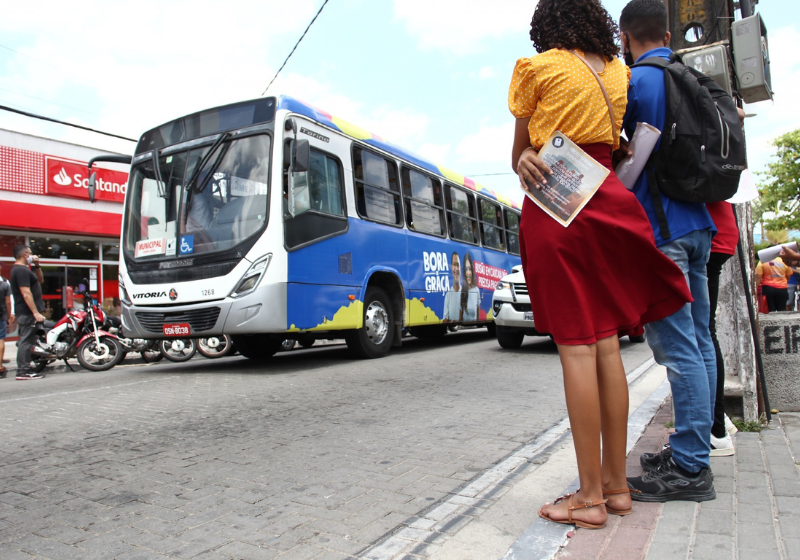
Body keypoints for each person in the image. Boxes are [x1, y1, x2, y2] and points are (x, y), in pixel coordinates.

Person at [510, 0, 692, 528]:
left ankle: (588, 499)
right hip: (609, 200)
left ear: (547, 24)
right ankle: (615, 487)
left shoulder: (537, 68)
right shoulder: (617, 71)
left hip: (557, 205)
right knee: (607, 345)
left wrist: (523, 157)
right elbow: (615, 145)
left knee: (576, 347)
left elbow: (520, 156)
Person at [620, 0, 719, 502]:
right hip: (699, 224)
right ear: (666, 33)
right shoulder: (691, 76)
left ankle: (690, 467)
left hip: (664, 234)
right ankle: (693, 449)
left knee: (679, 350)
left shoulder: (636, 82)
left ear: (625, 37)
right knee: (700, 343)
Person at [705, 202, 739, 457]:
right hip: (716, 231)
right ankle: (718, 420)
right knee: (704, 332)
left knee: (700, 334)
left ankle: (715, 431)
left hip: (705, 234)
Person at [10, 245, 46, 380]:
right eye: (30, 253)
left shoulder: (25, 270)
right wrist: (35, 312)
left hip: (27, 312)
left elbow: (40, 280)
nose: (32, 255)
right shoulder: (20, 271)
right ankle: (23, 371)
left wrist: (37, 265)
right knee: (25, 341)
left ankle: (26, 369)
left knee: (28, 340)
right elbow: (26, 293)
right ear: (24, 255)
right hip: (27, 312)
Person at [0, 274, 15, 378]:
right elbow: (8, 302)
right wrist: (9, 316)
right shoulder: (4, 284)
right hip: (1, 315)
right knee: (1, 339)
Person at [443, 252, 462, 322]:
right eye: (454, 264)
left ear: (460, 268)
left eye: (458, 265)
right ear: (451, 267)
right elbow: (445, 319)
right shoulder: (448, 295)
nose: (456, 268)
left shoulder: (466, 293)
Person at [461, 252, 480, 321]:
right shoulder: (462, 291)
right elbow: (459, 318)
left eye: (470, 269)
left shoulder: (476, 290)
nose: (468, 272)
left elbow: (478, 316)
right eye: (466, 269)